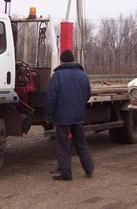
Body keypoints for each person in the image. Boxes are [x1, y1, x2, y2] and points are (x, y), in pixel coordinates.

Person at [44, 49, 94, 181]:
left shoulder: (58, 76)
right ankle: (89, 168)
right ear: (73, 59)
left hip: (62, 117)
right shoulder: (83, 75)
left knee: (63, 145)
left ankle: (66, 174)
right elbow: (88, 95)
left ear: (61, 61)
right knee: (81, 142)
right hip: (78, 115)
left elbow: (51, 97)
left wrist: (48, 115)